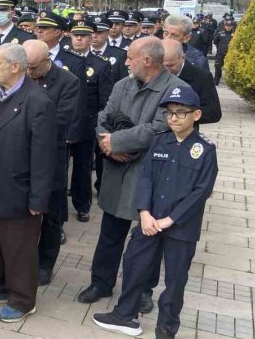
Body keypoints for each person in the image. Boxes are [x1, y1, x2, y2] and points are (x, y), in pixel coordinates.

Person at [93, 85, 218, 339]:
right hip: (150, 221)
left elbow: (201, 192)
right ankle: (124, 315)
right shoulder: (160, 140)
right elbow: (146, 177)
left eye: (180, 113)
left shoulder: (204, 149)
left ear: (196, 115)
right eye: (170, 113)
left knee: (175, 281)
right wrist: (145, 212)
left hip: (180, 228)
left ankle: (166, 330)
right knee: (135, 263)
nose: (173, 118)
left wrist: (170, 220)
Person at [78, 37, 186, 308]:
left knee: (147, 238)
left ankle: (142, 291)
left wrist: (118, 142)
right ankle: (101, 282)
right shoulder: (122, 85)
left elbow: (160, 128)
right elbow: (105, 116)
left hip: (151, 176)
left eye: (130, 58)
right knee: (110, 232)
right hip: (117, 171)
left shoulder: (176, 91)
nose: (125, 62)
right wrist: (108, 145)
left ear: (147, 61)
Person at [0, 43, 56, 323]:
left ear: (15, 67)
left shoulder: (38, 102)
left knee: (18, 247)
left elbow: (44, 156)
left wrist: (38, 200)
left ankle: (22, 299)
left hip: (17, 188)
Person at [24, 40, 81, 285]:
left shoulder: (68, 82)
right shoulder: (20, 75)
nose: (28, 73)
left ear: (47, 61)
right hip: (20, 158)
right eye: (25, 67)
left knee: (51, 215)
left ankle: (45, 263)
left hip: (51, 158)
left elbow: (60, 120)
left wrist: (20, 129)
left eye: (33, 68)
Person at [66, 20, 113, 223]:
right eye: (76, 34)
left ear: (91, 37)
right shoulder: (63, 60)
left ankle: (82, 204)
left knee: (82, 167)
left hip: (86, 124)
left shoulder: (100, 65)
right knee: (60, 167)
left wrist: (99, 128)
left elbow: (104, 101)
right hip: (64, 123)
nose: (79, 39)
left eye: (84, 35)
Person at [161, 39, 221, 128]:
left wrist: (185, 115)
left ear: (183, 57)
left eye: (171, 65)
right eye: (162, 65)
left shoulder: (201, 76)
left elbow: (213, 113)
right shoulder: (154, 73)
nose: (166, 70)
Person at [212, 18, 235, 85]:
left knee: (230, 69)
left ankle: (230, 83)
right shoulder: (220, 33)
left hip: (230, 54)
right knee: (218, 67)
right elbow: (215, 42)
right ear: (225, 26)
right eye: (227, 25)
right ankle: (216, 81)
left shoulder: (234, 34)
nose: (228, 27)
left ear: (232, 26)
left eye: (230, 26)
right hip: (220, 54)